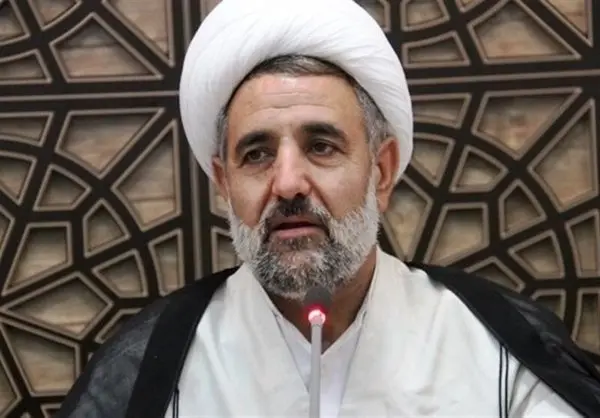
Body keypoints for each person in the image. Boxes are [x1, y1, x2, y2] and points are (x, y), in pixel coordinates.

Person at [55, 0, 600, 417]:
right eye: (257, 154)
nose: (288, 183)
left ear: (381, 171)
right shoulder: (154, 365)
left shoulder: (495, 346)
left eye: (321, 146)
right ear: (223, 182)